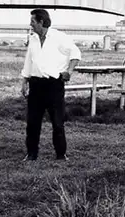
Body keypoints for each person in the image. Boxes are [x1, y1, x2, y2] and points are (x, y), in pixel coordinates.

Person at [20, 8, 81, 161]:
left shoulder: (59, 37)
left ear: (41, 21)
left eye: (33, 21)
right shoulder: (33, 39)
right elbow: (28, 61)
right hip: (36, 85)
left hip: (54, 86)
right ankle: (31, 154)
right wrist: (24, 81)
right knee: (32, 123)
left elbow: (75, 54)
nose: (30, 25)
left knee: (58, 123)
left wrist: (69, 71)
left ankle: (61, 155)